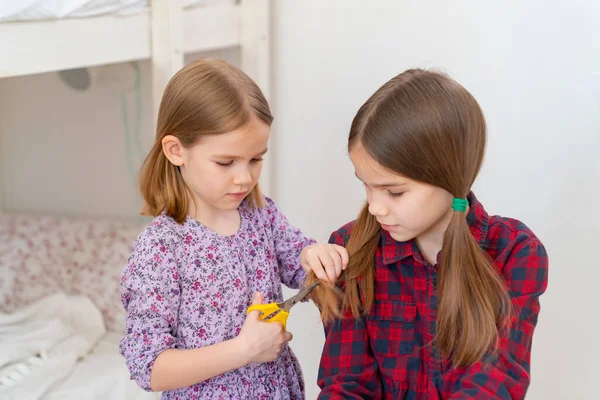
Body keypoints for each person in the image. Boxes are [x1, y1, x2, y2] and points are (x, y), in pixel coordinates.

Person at [309, 69, 549, 399]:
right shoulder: (350, 252)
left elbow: (497, 380)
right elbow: (347, 385)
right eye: (366, 185)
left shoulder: (515, 252)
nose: (375, 207)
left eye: (393, 192)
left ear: (449, 177)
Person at [119, 59, 347, 399]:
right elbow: (149, 367)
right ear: (176, 150)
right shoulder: (161, 247)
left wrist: (316, 256)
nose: (244, 177)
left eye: (255, 159)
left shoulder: (260, 214)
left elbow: (302, 268)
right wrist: (244, 350)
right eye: (226, 162)